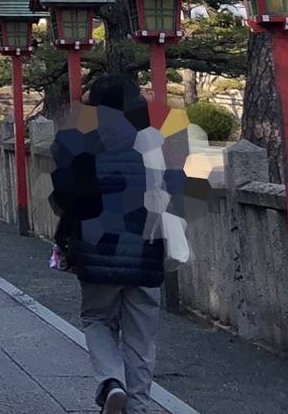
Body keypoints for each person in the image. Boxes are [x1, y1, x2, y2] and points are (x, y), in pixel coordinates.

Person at [49, 74, 167, 414]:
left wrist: (67, 239)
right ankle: (139, 406)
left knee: (97, 319)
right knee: (141, 335)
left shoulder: (80, 139)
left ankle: (112, 382)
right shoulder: (154, 140)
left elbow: (65, 196)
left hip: (98, 248)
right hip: (146, 248)